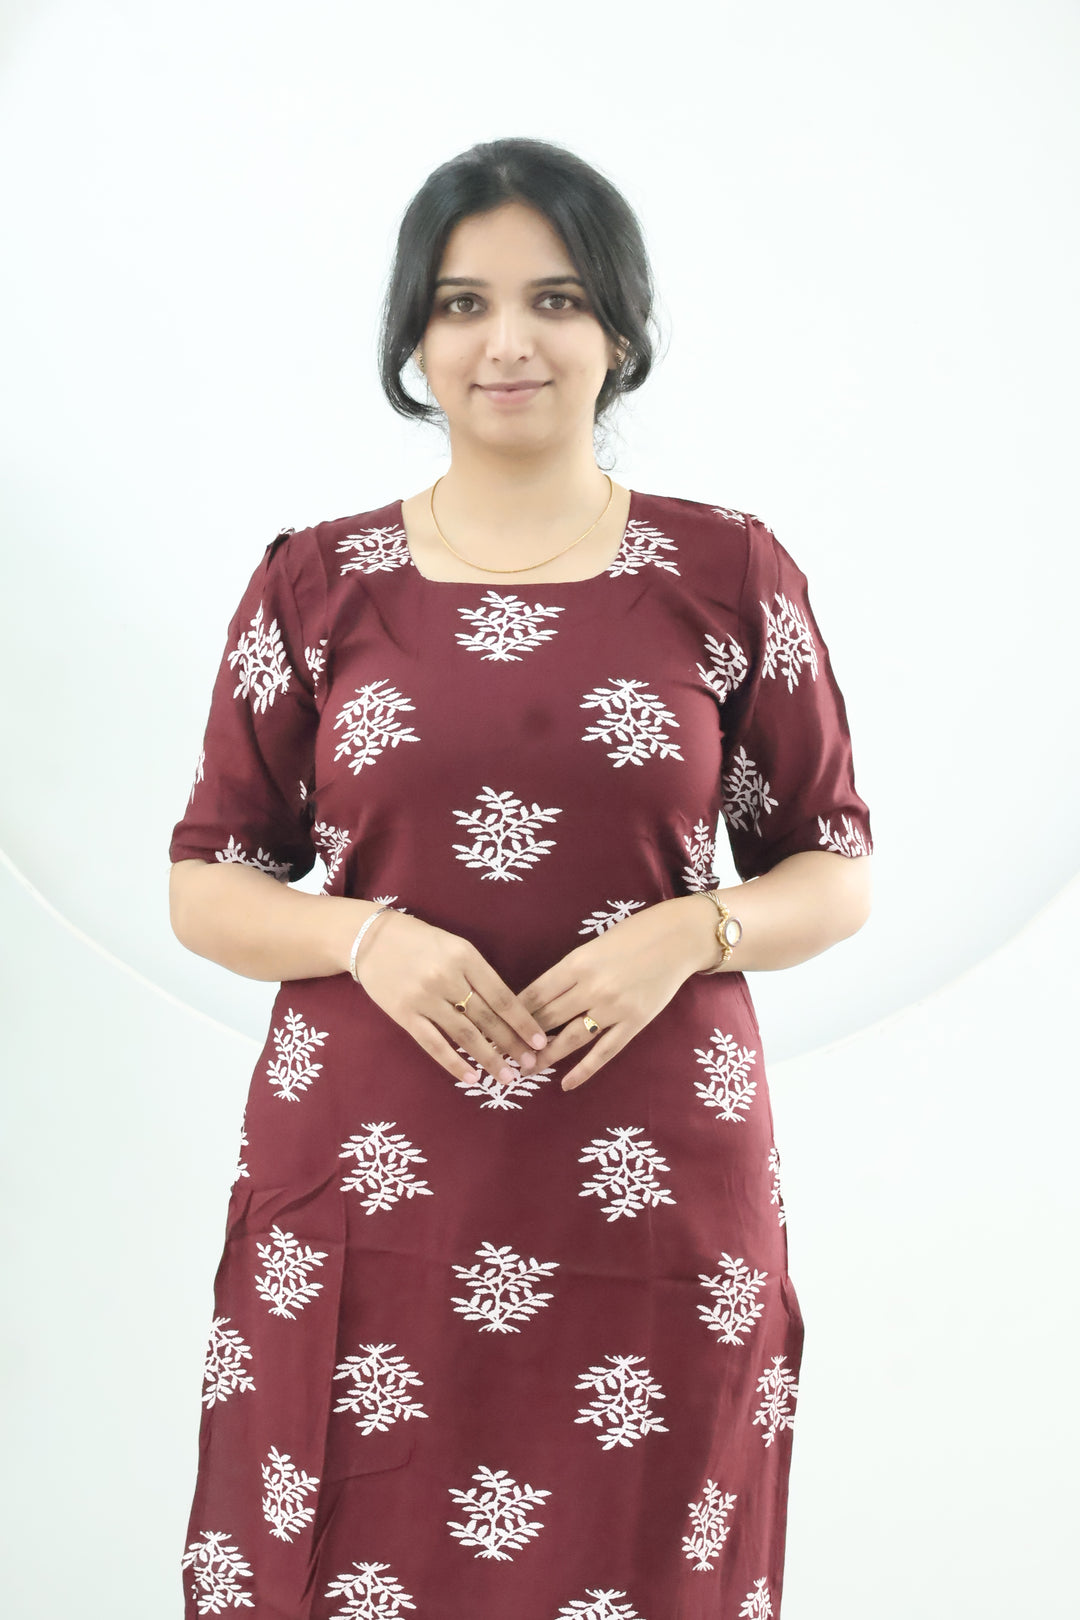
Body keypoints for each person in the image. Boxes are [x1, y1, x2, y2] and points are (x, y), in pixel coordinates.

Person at [168, 136, 874, 1620]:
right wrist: (368, 940)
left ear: (619, 328)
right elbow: (209, 882)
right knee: (344, 1539)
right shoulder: (318, 585)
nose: (509, 343)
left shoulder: (726, 573)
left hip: (648, 1182)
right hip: (371, 1181)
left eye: (556, 299)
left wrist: (693, 930)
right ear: (413, 342)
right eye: (462, 303)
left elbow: (834, 866)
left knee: (648, 1550)